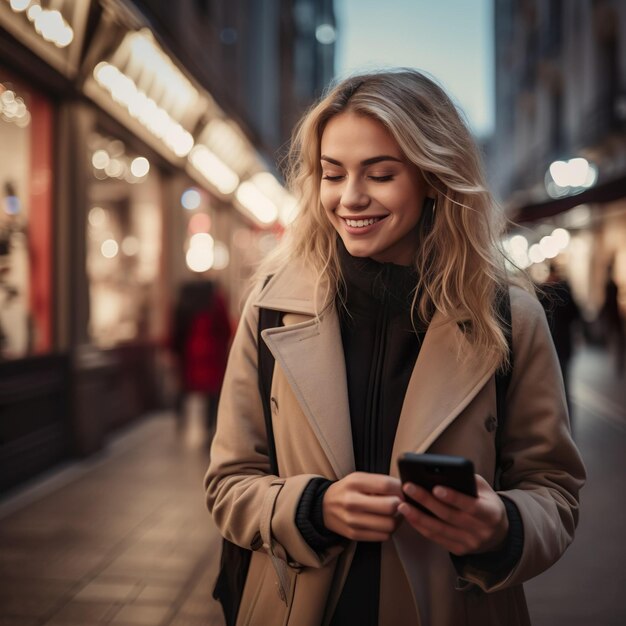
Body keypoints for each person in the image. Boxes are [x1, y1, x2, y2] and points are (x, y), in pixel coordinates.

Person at [205, 69, 585, 626]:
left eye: (380, 174)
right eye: (332, 174)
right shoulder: (271, 306)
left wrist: (501, 526)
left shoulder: (509, 316)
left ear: (434, 177)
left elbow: (555, 491)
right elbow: (227, 483)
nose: (350, 198)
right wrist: (313, 508)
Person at [171, 280, 232, 439]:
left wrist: (175, 351)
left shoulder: (184, 300)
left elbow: (176, 330)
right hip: (212, 353)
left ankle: (180, 420)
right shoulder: (215, 301)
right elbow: (225, 328)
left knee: (184, 387)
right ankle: (209, 426)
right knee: (212, 391)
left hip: (190, 353)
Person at [537, 262, 582, 413]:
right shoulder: (563, 290)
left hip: (553, 345)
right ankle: (564, 420)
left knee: (554, 385)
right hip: (561, 344)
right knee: (561, 385)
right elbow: (575, 314)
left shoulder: (544, 291)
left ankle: (560, 418)